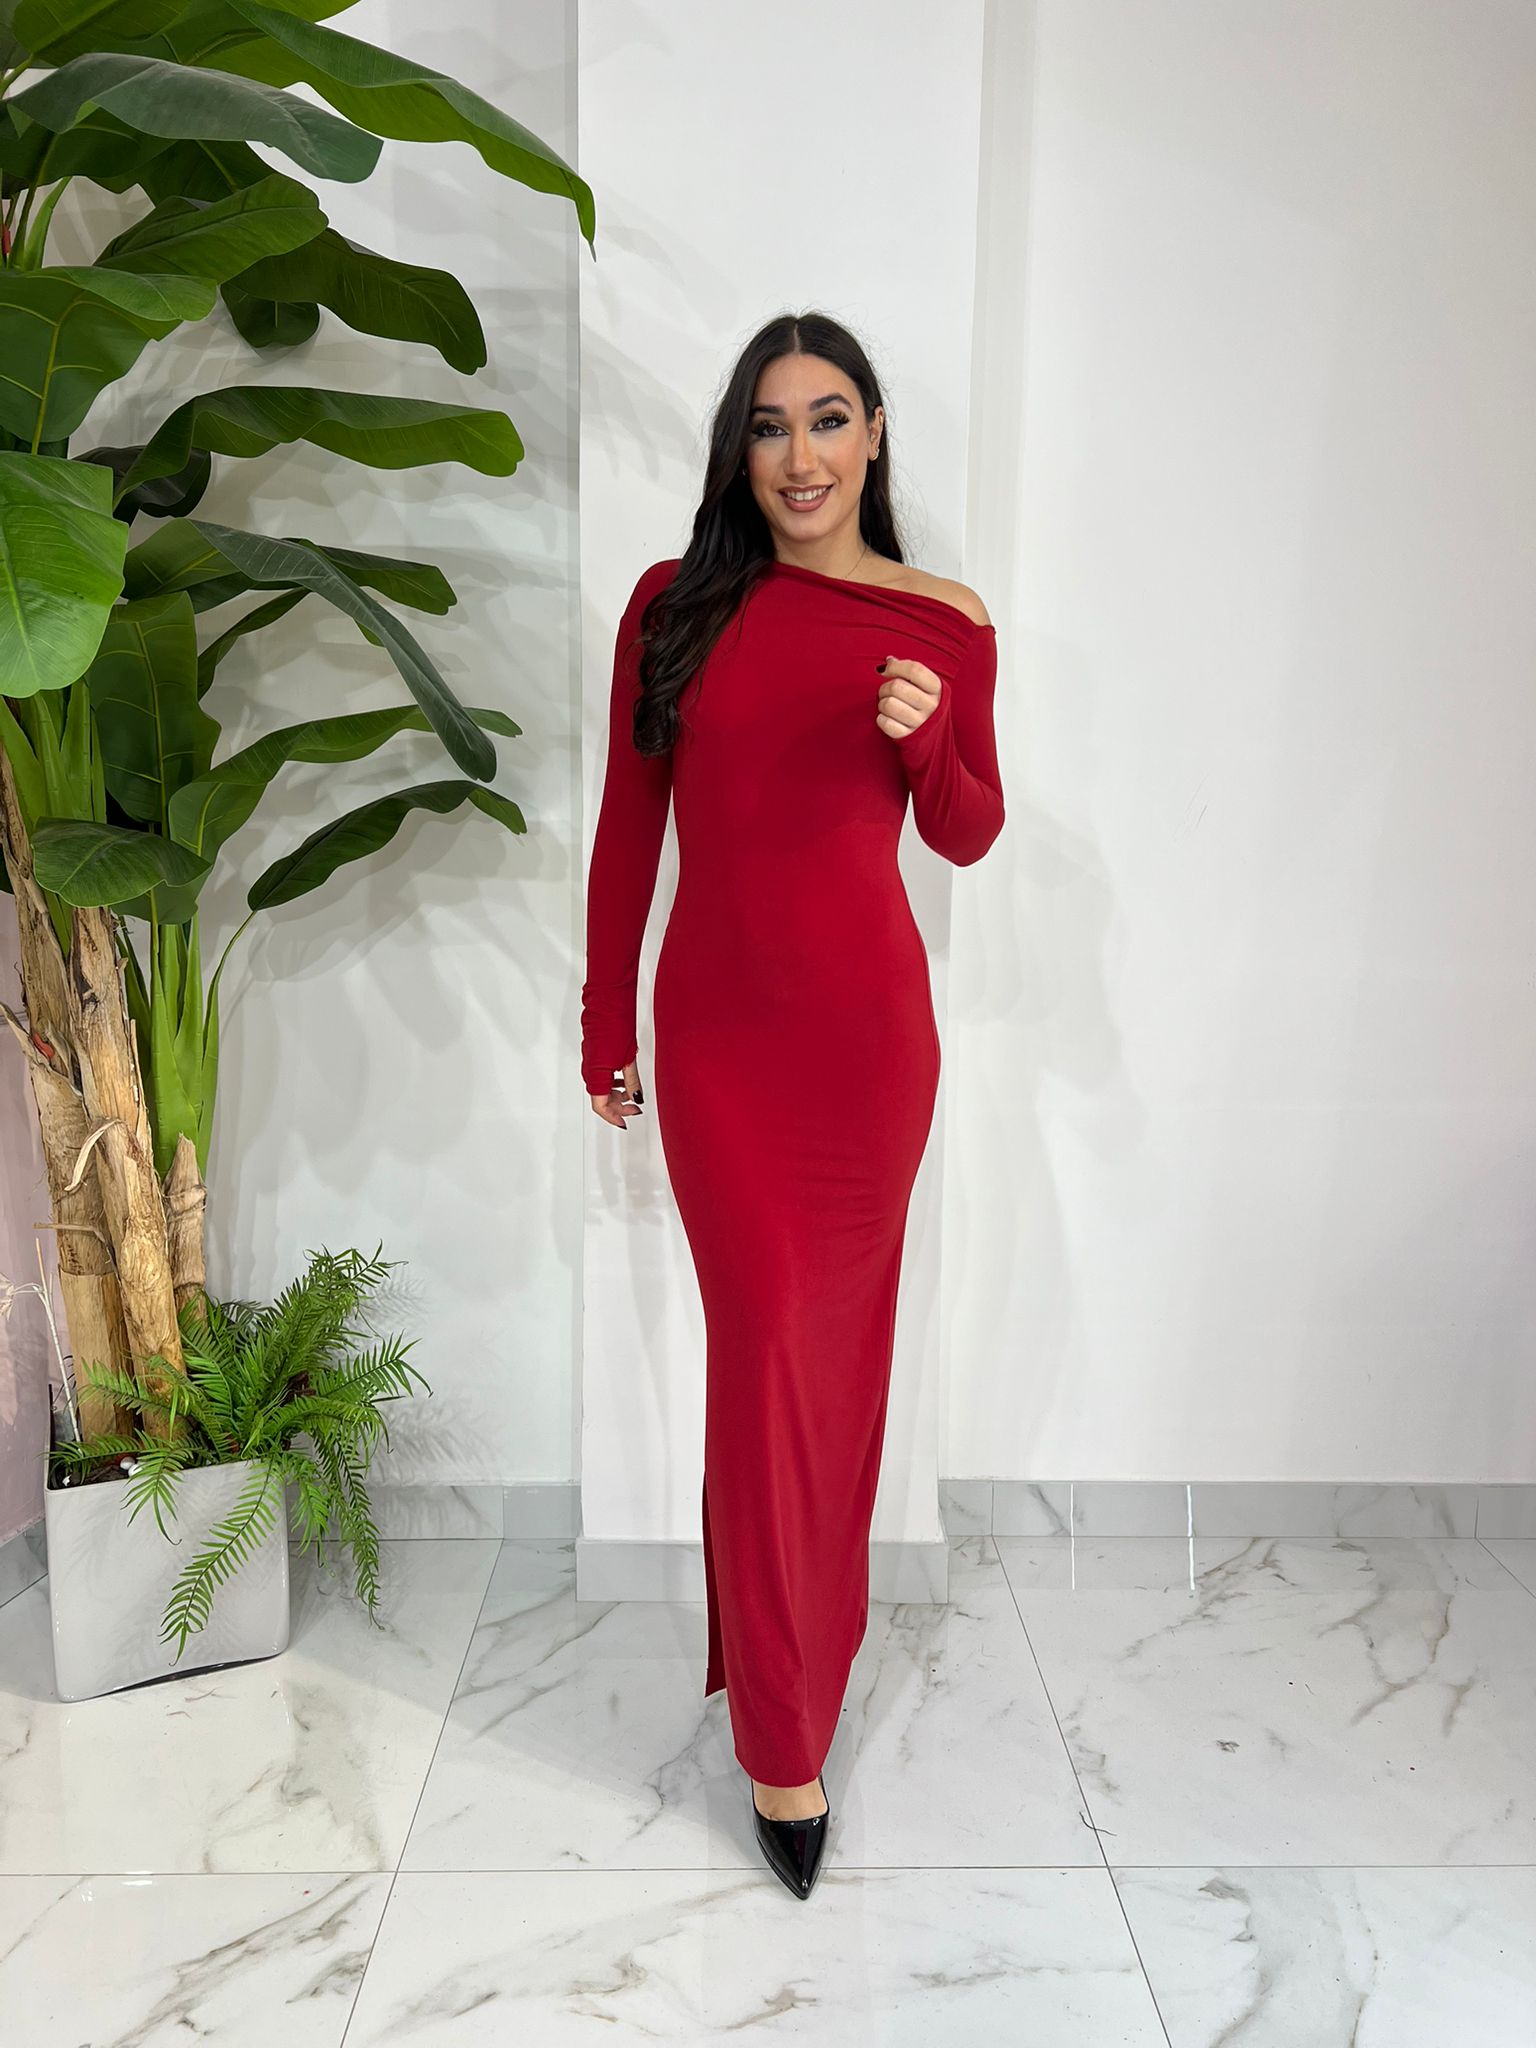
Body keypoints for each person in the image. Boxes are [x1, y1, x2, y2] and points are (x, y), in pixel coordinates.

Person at [580, 310, 1005, 1899]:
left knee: (836, 1380)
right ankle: (781, 1735)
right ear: (739, 451)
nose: (802, 456)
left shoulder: (942, 620)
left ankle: (802, 1664)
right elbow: (629, 829)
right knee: (767, 1366)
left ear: (875, 434)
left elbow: (968, 829)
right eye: (770, 426)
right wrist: (601, 1016)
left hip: (869, 1054)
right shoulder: (673, 607)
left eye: (830, 420)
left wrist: (934, 737)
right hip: (722, 1053)